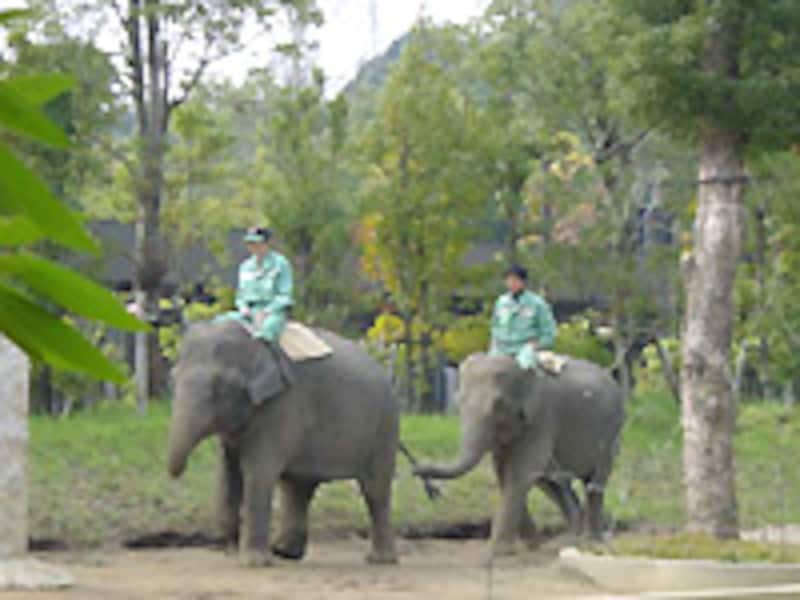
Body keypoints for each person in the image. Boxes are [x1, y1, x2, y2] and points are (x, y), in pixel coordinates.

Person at [216, 226, 293, 343]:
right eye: (250, 244)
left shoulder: (281, 264)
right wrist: (243, 308)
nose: (254, 247)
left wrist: (267, 311)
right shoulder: (245, 266)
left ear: (266, 243)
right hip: (248, 312)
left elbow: (285, 296)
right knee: (220, 322)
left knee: (264, 333)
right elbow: (241, 294)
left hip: (272, 313)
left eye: (257, 243)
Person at [489, 265, 556, 370]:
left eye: (515, 280)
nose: (512, 284)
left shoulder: (537, 303)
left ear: (524, 282)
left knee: (524, 367)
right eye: (509, 280)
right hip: (501, 348)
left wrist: (536, 344)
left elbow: (549, 333)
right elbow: (495, 327)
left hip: (525, 347)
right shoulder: (501, 302)